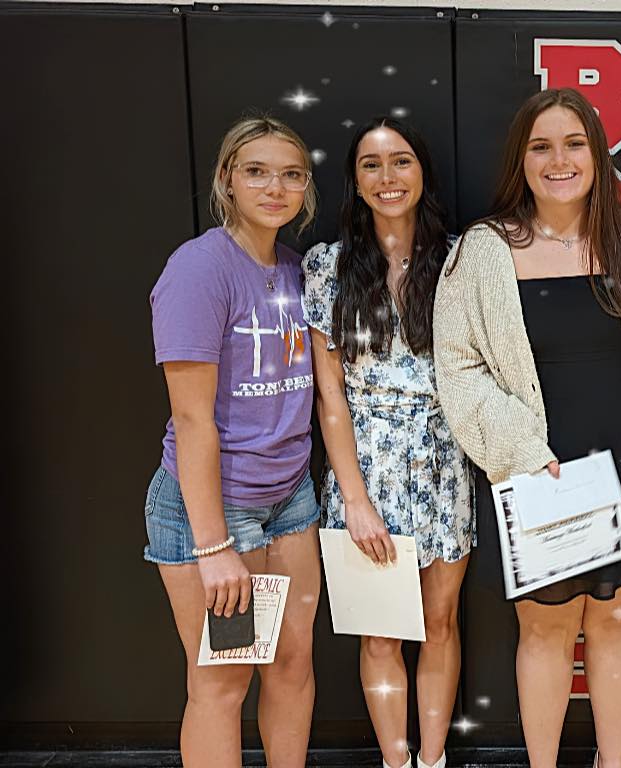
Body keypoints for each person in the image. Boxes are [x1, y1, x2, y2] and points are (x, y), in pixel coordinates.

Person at [433, 87, 621, 768]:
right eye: (541, 146)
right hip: (535, 465)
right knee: (545, 629)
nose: (559, 160)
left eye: (573, 143)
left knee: (614, 620)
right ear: (520, 159)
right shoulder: (483, 251)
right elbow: (457, 369)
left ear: (597, 153)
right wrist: (518, 446)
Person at [145, 116, 320, 767]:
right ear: (227, 179)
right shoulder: (199, 270)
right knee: (223, 681)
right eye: (256, 170)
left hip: (290, 502)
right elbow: (192, 422)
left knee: (293, 664)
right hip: (214, 512)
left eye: (291, 173)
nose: (274, 186)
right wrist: (214, 546)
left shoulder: (297, 272)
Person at [302, 117, 472, 768]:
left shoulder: (460, 259)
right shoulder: (328, 264)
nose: (387, 177)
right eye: (371, 166)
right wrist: (355, 500)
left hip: (443, 460)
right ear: (355, 180)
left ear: (421, 171)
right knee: (380, 636)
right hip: (365, 466)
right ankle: (395, 761)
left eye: (399, 161)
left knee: (439, 624)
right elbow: (331, 395)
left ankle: (432, 759)